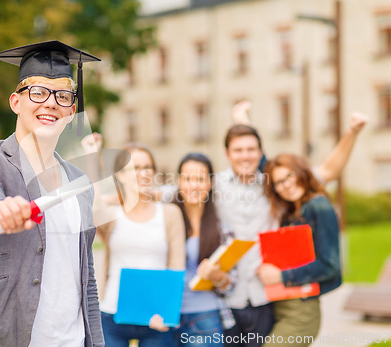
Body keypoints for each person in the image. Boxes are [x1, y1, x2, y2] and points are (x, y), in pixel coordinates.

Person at [0, 41, 104, 347]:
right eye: (38, 92)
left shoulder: (78, 182)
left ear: (71, 111)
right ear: (16, 102)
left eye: (63, 95)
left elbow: (87, 276)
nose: (51, 103)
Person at [213, 106, 367, 347]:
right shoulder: (224, 186)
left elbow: (329, 169)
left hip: (283, 300)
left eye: (251, 150)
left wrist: (353, 132)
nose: (285, 184)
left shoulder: (298, 196)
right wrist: (242, 119)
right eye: (238, 150)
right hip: (248, 299)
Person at [82, 134, 186, 347]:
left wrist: (168, 313)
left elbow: (177, 267)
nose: (144, 173)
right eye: (136, 168)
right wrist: (92, 156)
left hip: (156, 319)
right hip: (111, 314)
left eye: (148, 167)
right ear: (120, 175)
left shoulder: (169, 214)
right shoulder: (112, 215)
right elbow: (93, 207)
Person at [258, 153, 342, 346]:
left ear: (301, 173)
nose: (286, 185)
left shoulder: (318, 206)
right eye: (278, 182)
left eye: (289, 176)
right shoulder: (292, 210)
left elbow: (329, 265)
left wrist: (281, 276)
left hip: (301, 310)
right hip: (281, 305)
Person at [171, 152, 236, 347]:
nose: (194, 185)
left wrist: (217, 276)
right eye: (188, 179)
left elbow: (232, 284)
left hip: (205, 317)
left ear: (210, 183)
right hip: (165, 316)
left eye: (200, 179)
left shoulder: (221, 229)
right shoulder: (165, 220)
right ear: (179, 181)